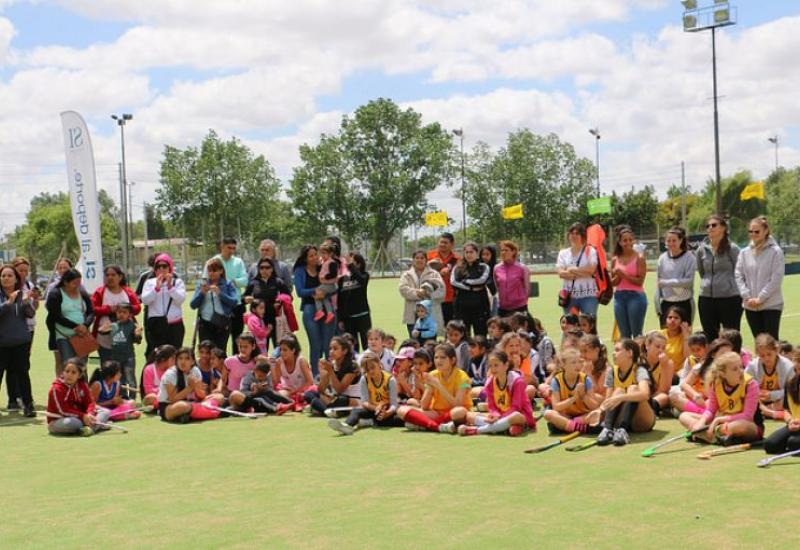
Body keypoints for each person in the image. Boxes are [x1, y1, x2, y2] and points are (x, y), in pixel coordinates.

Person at [681, 351, 763, 446]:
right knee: (684, 416)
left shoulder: (750, 384)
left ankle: (705, 435)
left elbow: (748, 416)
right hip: (722, 425)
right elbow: (711, 410)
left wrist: (718, 420)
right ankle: (711, 434)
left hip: (748, 425)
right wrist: (701, 422)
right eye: (735, 369)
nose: (741, 371)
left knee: (742, 426)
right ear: (723, 374)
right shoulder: (716, 383)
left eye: (741, 367)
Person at [586, 339, 656, 447]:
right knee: (618, 390)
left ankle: (622, 430)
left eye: (617, 350)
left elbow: (645, 394)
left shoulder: (639, 369)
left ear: (629, 353)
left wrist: (621, 398)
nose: (613, 353)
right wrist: (600, 410)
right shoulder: (612, 371)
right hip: (622, 417)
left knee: (632, 389)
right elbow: (609, 399)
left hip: (643, 420)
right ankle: (607, 429)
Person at [452, 350, 536, 436]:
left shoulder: (517, 381)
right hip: (500, 417)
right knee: (469, 416)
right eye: (490, 366)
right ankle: (501, 428)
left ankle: (477, 430)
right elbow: (492, 406)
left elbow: (516, 407)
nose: (493, 369)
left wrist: (498, 418)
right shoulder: (489, 382)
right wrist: (494, 415)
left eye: (496, 365)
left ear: (506, 365)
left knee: (516, 416)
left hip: (519, 415)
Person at [396, 343, 472, 433]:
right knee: (401, 410)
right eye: (436, 357)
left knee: (459, 411)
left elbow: (457, 404)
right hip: (436, 413)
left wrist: (438, 385)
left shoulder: (464, 378)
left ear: (452, 360)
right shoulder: (432, 374)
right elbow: (424, 406)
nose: (438, 361)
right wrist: (430, 388)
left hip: (455, 413)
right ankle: (436, 427)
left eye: (442, 357)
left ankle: (424, 425)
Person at [328, 351, 404, 435]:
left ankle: (370, 422)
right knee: (356, 411)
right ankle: (346, 425)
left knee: (397, 419)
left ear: (379, 364)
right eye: (367, 369)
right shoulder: (364, 379)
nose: (371, 371)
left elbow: (394, 404)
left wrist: (387, 412)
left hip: (387, 410)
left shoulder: (390, 380)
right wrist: (376, 408)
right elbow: (364, 402)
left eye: (373, 367)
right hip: (372, 409)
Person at [735, 215, 785, 339]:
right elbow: (738, 275)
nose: (753, 234)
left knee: (771, 343)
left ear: (766, 231)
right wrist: (747, 296)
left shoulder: (776, 252)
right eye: (750, 231)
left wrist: (760, 298)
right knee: (759, 343)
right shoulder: (744, 252)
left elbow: (776, 279)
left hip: (771, 305)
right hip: (750, 305)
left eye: (757, 231)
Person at [696, 215, 743, 341]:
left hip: (730, 299)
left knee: (731, 336)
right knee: (710, 337)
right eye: (708, 226)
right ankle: (714, 360)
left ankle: (733, 360)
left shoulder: (732, 248)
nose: (710, 228)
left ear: (723, 228)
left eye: (714, 225)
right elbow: (702, 273)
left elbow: (741, 271)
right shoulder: (701, 250)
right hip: (706, 299)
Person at [0, 264, 37, 417]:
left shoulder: (22, 294)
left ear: (16, 279)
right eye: (3, 276)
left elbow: (30, 314)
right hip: (1, 343)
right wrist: (8, 303)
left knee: (22, 373)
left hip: (20, 342)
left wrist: (28, 302)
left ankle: (28, 405)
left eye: (10, 276)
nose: (6, 278)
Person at [294, 245, 335, 379]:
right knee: (315, 343)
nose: (314, 258)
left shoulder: (323, 267)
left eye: (315, 254)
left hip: (326, 308)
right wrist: (315, 291)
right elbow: (300, 292)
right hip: (310, 309)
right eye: (310, 255)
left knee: (328, 344)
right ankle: (316, 376)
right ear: (305, 258)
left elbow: (333, 286)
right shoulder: (300, 271)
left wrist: (323, 293)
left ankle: (330, 374)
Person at [543, 348, 602, 434]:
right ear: (564, 365)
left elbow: (594, 407)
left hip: (583, 416)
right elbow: (556, 406)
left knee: (599, 413)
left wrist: (583, 396)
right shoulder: (557, 380)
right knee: (548, 414)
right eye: (573, 362)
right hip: (565, 416)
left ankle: (567, 426)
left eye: (579, 362)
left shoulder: (585, 379)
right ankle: (582, 429)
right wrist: (574, 398)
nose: (578, 365)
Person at [90, 265, 141, 363]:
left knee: (126, 369)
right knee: (107, 368)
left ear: (120, 277)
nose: (110, 277)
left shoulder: (127, 291)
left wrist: (125, 309)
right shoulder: (100, 292)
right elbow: (92, 309)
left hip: (125, 341)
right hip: (104, 340)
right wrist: (108, 309)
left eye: (113, 275)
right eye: (107, 275)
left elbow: (137, 307)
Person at [47, 358, 111, 436]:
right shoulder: (56, 388)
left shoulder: (82, 384)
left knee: (105, 412)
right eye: (67, 371)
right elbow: (63, 411)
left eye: (73, 372)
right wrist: (83, 416)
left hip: (82, 417)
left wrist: (90, 414)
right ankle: (96, 426)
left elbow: (90, 402)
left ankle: (90, 428)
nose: (69, 375)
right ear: (63, 372)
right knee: (74, 423)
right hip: (60, 420)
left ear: (79, 375)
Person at [44, 268, 94, 364]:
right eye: (74, 283)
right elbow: (55, 316)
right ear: (66, 282)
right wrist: (75, 326)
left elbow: (91, 312)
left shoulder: (82, 293)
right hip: (64, 336)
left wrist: (85, 325)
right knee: (68, 364)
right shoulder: (56, 294)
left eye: (79, 282)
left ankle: (83, 380)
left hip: (82, 335)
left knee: (82, 366)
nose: (77, 286)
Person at [303, 336, 361, 416]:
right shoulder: (332, 364)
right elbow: (321, 391)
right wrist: (323, 375)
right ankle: (328, 411)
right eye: (330, 348)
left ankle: (321, 408)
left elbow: (340, 390)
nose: (331, 351)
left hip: (350, 401)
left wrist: (330, 371)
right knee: (309, 394)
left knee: (340, 400)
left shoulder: (352, 366)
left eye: (335, 349)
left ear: (344, 351)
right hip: (334, 399)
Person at [210, 237, 249, 354]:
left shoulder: (238, 262)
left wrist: (231, 281)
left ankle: (236, 365)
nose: (231, 251)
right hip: (219, 306)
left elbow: (245, 281)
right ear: (222, 246)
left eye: (233, 248)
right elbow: (208, 278)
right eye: (229, 248)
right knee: (220, 340)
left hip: (236, 304)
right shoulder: (214, 261)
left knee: (237, 338)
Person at [671, 338, 729, 416]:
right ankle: (704, 413)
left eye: (729, 353)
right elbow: (684, 385)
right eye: (722, 353)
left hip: (716, 402)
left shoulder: (733, 369)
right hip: (701, 401)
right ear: (713, 354)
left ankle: (702, 414)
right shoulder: (701, 366)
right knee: (674, 397)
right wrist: (696, 396)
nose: (727, 356)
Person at [190, 257, 238, 351]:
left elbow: (234, 302)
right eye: (209, 270)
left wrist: (220, 293)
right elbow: (192, 305)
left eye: (214, 270)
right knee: (206, 352)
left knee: (220, 352)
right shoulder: (202, 284)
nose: (211, 273)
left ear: (221, 270)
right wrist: (202, 293)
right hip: (205, 323)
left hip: (222, 323)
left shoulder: (228, 284)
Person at [141, 253, 186, 352]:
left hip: (174, 325)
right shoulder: (149, 283)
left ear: (169, 267)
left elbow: (181, 299)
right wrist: (156, 288)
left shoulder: (177, 282)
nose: (161, 269)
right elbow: (145, 300)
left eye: (164, 266)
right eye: (158, 266)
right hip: (156, 324)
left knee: (175, 353)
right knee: (159, 354)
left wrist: (170, 287)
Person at [243, 257, 290, 350]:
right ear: (258, 269)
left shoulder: (278, 281)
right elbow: (243, 298)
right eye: (262, 267)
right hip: (259, 322)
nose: (264, 270)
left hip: (275, 319)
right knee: (260, 350)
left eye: (267, 267)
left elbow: (288, 296)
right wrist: (246, 299)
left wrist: (280, 300)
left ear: (272, 268)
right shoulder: (253, 283)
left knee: (280, 349)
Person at [97, 303, 142, 399]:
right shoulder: (113, 325)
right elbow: (101, 331)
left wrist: (138, 334)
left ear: (130, 315)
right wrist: (103, 328)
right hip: (115, 358)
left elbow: (138, 341)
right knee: (119, 378)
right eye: (119, 312)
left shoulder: (132, 326)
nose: (121, 314)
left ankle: (132, 398)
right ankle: (123, 397)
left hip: (128, 357)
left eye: (124, 312)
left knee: (130, 377)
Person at [611, 225, 648, 339]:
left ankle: (639, 356)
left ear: (634, 241)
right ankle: (627, 357)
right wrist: (618, 276)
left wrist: (623, 274)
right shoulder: (615, 259)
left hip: (636, 297)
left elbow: (639, 282)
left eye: (630, 240)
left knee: (637, 334)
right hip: (619, 297)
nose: (628, 243)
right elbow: (613, 283)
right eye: (624, 240)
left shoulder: (639, 258)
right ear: (620, 242)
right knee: (624, 335)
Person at [745, 333, 794, 419]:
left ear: (776, 350)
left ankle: (767, 412)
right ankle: (766, 411)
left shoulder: (788, 366)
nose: (766, 358)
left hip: (779, 401)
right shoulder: (752, 366)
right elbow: (743, 386)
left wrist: (771, 395)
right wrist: (756, 393)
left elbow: (792, 391)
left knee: (790, 401)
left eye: (769, 354)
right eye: (762, 356)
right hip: (759, 401)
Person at [399, 249, 445, 338]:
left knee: (430, 342)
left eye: (422, 258)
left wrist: (428, 294)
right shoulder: (406, 275)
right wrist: (418, 293)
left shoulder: (434, 274)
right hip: (412, 313)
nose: (419, 260)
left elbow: (441, 290)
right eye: (417, 258)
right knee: (415, 341)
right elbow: (403, 289)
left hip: (430, 314)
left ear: (426, 260)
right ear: (413, 260)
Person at [656, 226, 696, 326]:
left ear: (681, 240)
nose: (671, 243)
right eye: (668, 240)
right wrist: (657, 302)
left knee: (684, 336)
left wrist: (666, 283)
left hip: (684, 303)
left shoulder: (689, 257)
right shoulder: (662, 258)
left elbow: (688, 282)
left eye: (674, 240)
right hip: (666, 304)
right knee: (665, 338)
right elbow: (658, 283)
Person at [557, 223, 599, 316]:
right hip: (569, 296)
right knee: (571, 327)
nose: (574, 235)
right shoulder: (563, 253)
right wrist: (584, 272)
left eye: (577, 233)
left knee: (589, 327)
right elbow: (561, 273)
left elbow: (592, 269)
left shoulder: (590, 250)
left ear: (582, 236)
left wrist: (571, 269)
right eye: (572, 233)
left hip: (589, 296)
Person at [451, 240, 491, 337]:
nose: (469, 255)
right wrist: (471, 288)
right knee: (463, 336)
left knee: (481, 335)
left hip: (480, 307)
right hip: (461, 307)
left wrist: (466, 282)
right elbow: (453, 282)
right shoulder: (457, 267)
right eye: (466, 252)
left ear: (477, 253)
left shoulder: (484, 267)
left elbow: (482, 280)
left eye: (471, 252)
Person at [157, 347, 206, 423]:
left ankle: (187, 414)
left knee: (218, 397)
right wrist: (190, 388)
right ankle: (188, 414)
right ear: (176, 361)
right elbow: (172, 399)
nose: (183, 362)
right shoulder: (171, 374)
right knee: (183, 406)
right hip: (169, 406)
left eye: (187, 359)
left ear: (193, 361)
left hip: (191, 402)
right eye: (180, 358)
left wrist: (196, 387)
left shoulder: (195, 371)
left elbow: (201, 396)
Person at [764, 353, 800, 454]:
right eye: (797, 369)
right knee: (770, 445)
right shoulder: (790, 384)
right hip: (795, 424)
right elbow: (786, 410)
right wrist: (790, 421)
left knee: (793, 443)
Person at [337, 252, 371, 352]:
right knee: (352, 346)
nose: (348, 264)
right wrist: (340, 319)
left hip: (363, 316)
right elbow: (340, 300)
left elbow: (360, 280)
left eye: (353, 262)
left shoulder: (364, 275)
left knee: (366, 344)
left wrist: (351, 266)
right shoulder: (342, 279)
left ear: (359, 264)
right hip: (349, 319)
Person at [273, 336, 315, 411]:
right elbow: (277, 383)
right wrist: (272, 367)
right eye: (281, 350)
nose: (282, 352)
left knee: (311, 391)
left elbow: (310, 382)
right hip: (289, 391)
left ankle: (293, 403)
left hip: (303, 390)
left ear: (293, 350)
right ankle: (294, 403)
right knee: (280, 394)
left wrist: (295, 392)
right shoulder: (279, 362)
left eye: (285, 350)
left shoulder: (301, 361)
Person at [640, 331, 675, 417]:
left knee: (664, 397)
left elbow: (663, 390)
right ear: (647, 345)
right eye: (657, 346)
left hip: (654, 397)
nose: (660, 350)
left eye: (663, 348)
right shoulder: (638, 361)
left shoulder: (668, 363)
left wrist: (664, 367)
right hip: (639, 396)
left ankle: (648, 413)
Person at [493, 240, 531, 318]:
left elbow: (527, 289)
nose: (503, 252)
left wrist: (521, 301)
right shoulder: (496, 268)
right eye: (502, 250)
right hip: (503, 309)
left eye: (506, 250)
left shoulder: (522, 268)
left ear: (513, 252)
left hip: (519, 308)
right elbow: (497, 286)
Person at [427, 233, 459, 324]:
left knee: (450, 327)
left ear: (452, 244)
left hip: (451, 299)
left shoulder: (457, 259)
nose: (442, 245)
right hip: (433, 298)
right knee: (432, 328)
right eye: (441, 242)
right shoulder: (429, 256)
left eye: (445, 243)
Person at [659, 306, 691, 381]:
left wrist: (686, 335)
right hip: (662, 373)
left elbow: (688, 357)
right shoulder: (659, 335)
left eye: (676, 318)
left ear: (682, 322)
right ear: (665, 320)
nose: (672, 320)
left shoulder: (686, 337)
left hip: (679, 374)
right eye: (670, 317)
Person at [313, 242, 340, 324]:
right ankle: (329, 313)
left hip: (330, 285)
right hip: (327, 285)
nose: (322, 255)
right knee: (324, 297)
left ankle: (320, 311)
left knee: (317, 292)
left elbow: (333, 274)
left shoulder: (332, 262)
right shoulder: (325, 262)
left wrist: (325, 277)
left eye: (324, 253)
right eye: (321, 253)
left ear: (330, 253)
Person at [480, 245, 498, 315]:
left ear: (492, 255)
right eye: (483, 254)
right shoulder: (478, 268)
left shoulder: (497, 268)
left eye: (487, 254)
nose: (484, 257)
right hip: (480, 301)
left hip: (494, 300)